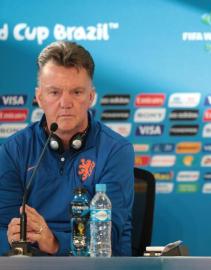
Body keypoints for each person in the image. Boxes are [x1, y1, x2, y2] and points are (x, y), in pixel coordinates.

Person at [0, 41, 134, 256]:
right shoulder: (13, 150)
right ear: (39, 97)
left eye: (77, 92)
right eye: (54, 92)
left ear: (90, 97)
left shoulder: (116, 150)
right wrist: (11, 236)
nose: (66, 103)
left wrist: (53, 242)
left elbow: (108, 234)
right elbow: (3, 225)